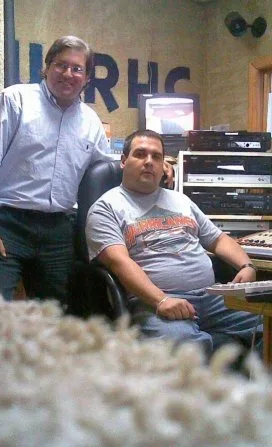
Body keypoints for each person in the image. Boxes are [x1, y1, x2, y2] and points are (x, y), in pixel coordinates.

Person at [0, 36, 172, 303]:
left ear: (87, 78)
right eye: (60, 65)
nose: (68, 73)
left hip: (58, 231)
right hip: (7, 224)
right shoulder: (14, 100)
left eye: (77, 69)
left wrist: (155, 164)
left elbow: (107, 170)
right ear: (46, 68)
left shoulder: (90, 121)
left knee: (58, 312)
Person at [85, 129, 261, 356]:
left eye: (156, 156)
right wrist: (162, 300)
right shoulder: (105, 208)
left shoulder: (181, 201)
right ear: (123, 160)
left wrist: (247, 266)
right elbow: (119, 262)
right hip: (153, 302)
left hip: (212, 297)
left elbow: (218, 239)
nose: (149, 161)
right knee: (188, 346)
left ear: (163, 165)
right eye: (140, 154)